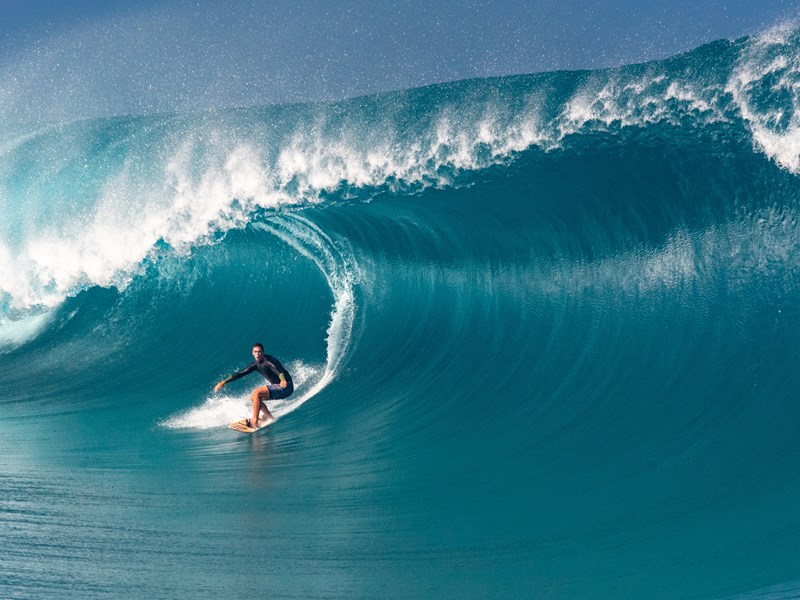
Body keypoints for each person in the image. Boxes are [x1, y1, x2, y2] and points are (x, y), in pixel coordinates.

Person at [214, 342, 294, 428]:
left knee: (257, 392)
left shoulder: (268, 361)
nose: (257, 354)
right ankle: (269, 417)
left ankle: (254, 421)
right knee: (254, 398)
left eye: (259, 351)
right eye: (255, 352)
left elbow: (279, 371)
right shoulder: (255, 365)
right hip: (278, 389)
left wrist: (282, 380)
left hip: (286, 387)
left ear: (263, 352)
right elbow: (240, 373)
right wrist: (224, 382)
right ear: (252, 353)